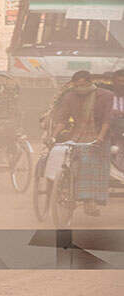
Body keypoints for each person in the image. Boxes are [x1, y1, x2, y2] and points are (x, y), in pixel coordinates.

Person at [52, 70, 114, 216]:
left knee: (89, 167)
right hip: (76, 136)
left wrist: (100, 137)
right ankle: (66, 189)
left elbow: (107, 119)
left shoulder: (105, 96)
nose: (80, 88)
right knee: (63, 159)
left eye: (83, 84)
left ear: (89, 82)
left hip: (98, 136)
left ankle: (89, 202)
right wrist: (53, 136)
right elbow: (62, 120)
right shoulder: (69, 96)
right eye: (77, 84)